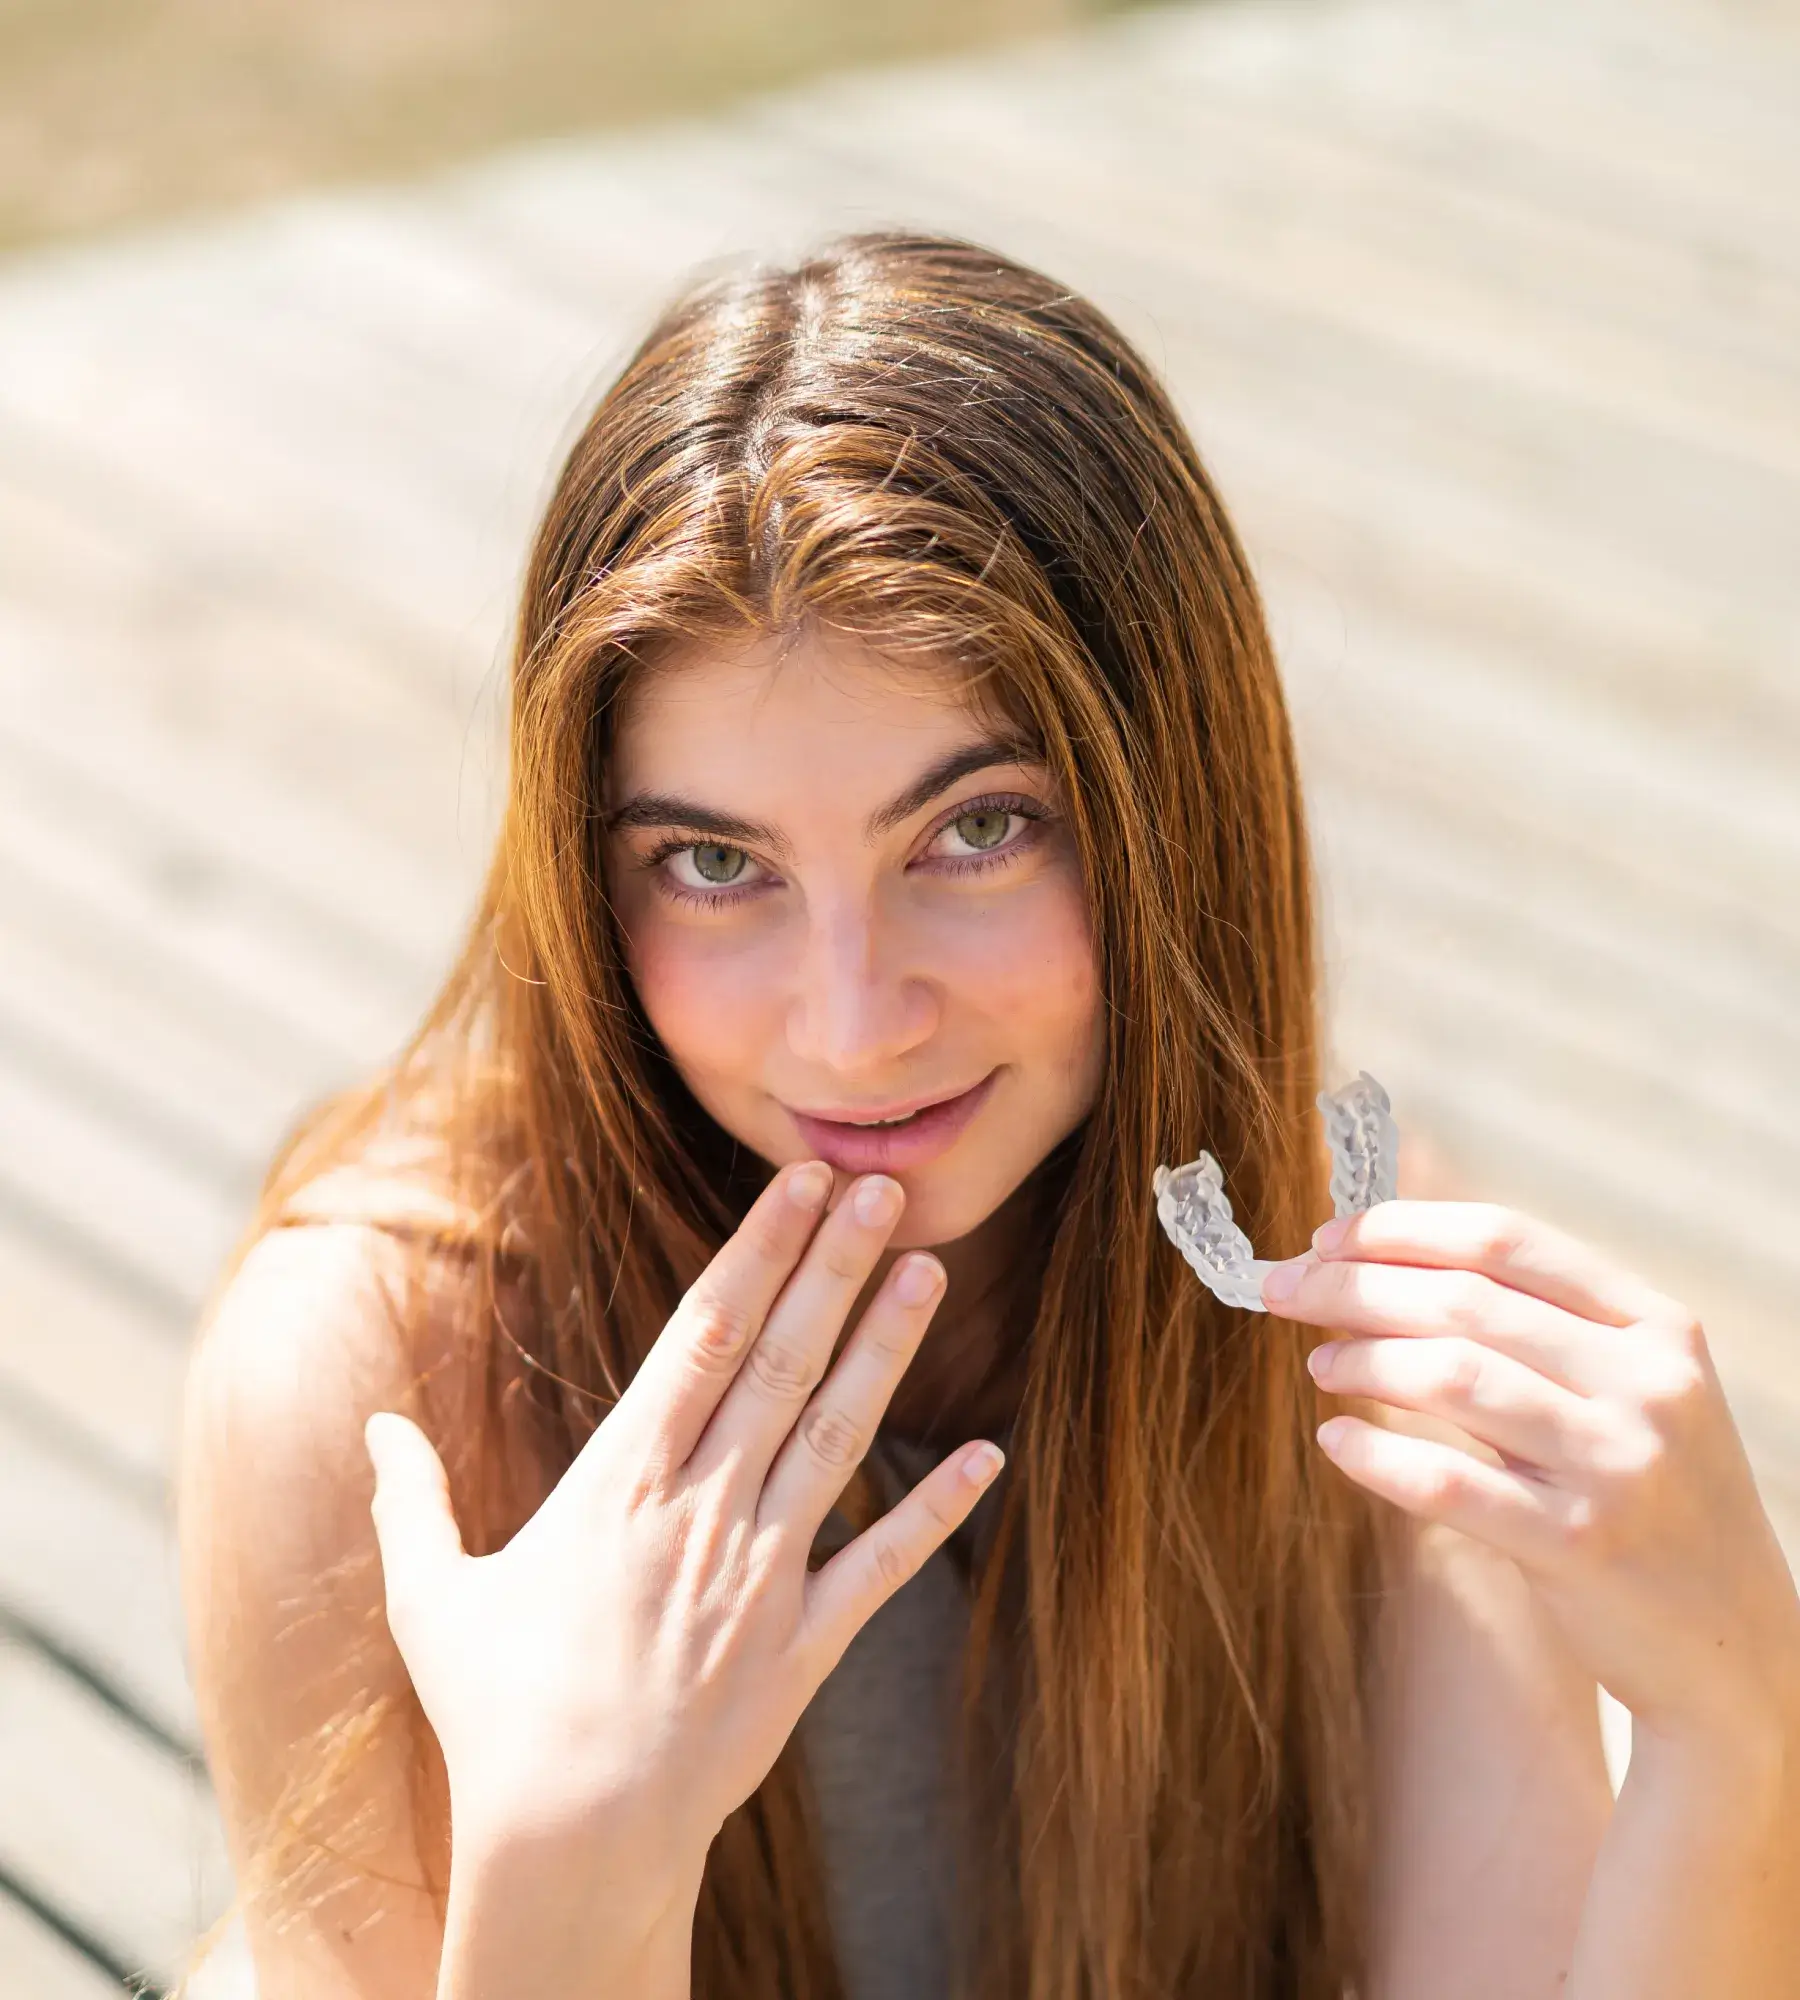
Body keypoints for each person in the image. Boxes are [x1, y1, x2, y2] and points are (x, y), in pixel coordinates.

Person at [176, 230, 1800, 2000]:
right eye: (715, 865)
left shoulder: (1332, 1312)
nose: (857, 1025)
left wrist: (1740, 1727)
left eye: (975, 830)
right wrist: (569, 1874)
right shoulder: (373, 1379)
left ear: (1169, 807)